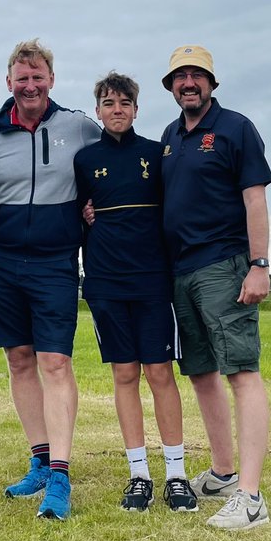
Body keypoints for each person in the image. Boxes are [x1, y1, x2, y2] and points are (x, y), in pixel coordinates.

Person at [0, 39, 101, 520]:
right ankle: (41, 461)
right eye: (21, 78)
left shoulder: (79, 127)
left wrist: (96, 208)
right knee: (20, 360)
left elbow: (115, 170)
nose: (30, 86)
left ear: (51, 79)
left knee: (55, 363)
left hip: (55, 262)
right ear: (8, 83)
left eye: (38, 77)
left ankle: (62, 477)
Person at [159, 44, 271, 530]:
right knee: (201, 373)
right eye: (180, 76)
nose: (189, 83)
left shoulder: (236, 128)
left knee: (240, 371)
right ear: (171, 87)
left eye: (197, 75)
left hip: (224, 266)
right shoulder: (169, 137)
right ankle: (224, 473)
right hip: (180, 271)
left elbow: (255, 200)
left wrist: (260, 265)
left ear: (212, 83)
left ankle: (250, 497)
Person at [73, 72, 199, 513]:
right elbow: (76, 215)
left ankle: (177, 475)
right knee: (124, 375)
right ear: (99, 110)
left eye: (125, 102)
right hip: (106, 282)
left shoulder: (156, 154)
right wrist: (85, 216)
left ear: (137, 109)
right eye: (109, 103)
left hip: (152, 281)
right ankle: (139, 475)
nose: (117, 110)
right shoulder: (85, 160)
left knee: (160, 373)